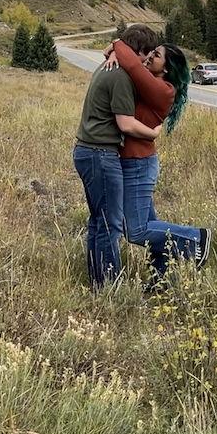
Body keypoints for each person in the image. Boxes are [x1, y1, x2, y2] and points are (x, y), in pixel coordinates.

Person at [102, 36, 212, 286]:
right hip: (135, 162)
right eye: (152, 52)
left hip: (139, 165)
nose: (150, 56)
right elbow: (122, 62)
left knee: (136, 231)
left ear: (167, 68)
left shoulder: (162, 89)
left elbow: (130, 63)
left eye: (157, 55)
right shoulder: (151, 82)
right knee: (151, 226)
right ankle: (160, 277)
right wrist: (111, 53)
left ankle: (196, 238)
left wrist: (118, 43)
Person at [72, 24, 162, 290]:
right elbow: (125, 124)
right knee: (110, 223)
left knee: (99, 220)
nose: (147, 62)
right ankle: (109, 285)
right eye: (146, 56)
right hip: (101, 153)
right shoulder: (121, 74)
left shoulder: (109, 66)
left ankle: (98, 281)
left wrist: (113, 47)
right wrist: (153, 132)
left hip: (88, 150)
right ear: (139, 51)